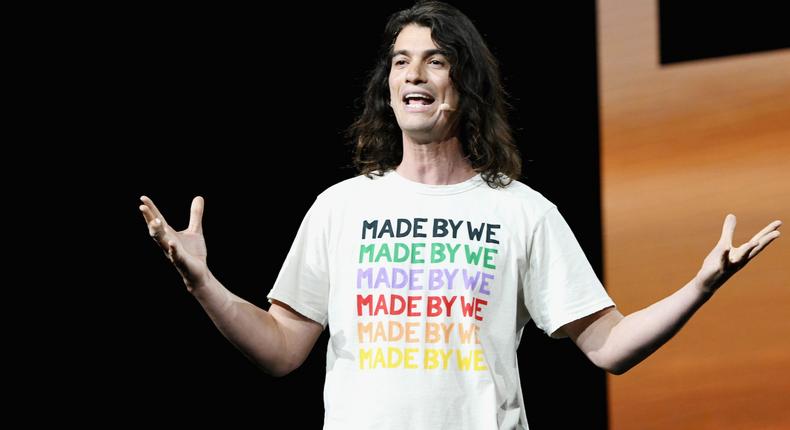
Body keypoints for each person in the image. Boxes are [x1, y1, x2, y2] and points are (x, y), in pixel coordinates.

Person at [138, 2, 782, 429]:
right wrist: (204, 283)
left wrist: (699, 288)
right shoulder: (342, 207)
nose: (413, 74)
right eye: (400, 61)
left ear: (463, 82)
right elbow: (280, 351)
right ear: (387, 88)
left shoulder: (521, 212)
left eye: (435, 59)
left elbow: (610, 348)